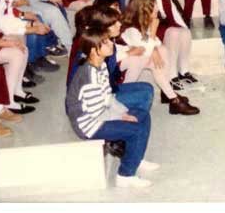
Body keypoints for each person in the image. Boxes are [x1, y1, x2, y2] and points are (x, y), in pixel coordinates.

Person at [65, 26, 159, 188]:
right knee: (136, 130)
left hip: (101, 114)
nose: (111, 44)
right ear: (94, 50)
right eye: (105, 42)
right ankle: (125, 175)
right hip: (90, 125)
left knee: (143, 115)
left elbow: (108, 97)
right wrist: (121, 117)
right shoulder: (89, 76)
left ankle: (135, 158)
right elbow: (97, 113)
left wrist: (123, 113)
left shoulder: (100, 65)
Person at [119, 0, 199, 116]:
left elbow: (153, 42)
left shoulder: (142, 23)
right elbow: (144, 48)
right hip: (119, 65)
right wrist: (154, 31)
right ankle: (125, 95)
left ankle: (169, 95)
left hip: (136, 57)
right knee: (143, 58)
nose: (157, 8)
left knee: (162, 49)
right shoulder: (131, 28)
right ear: (144, 10)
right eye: (154, 6)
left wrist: (155, 49)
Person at [135, 0, 198, 91]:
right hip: (152, 28)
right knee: (173, 32)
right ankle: (172, 75)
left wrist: (183, 27)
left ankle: (184, 70)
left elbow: (174, 13)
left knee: (185, 32)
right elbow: (143, 23)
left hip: (166, 24)